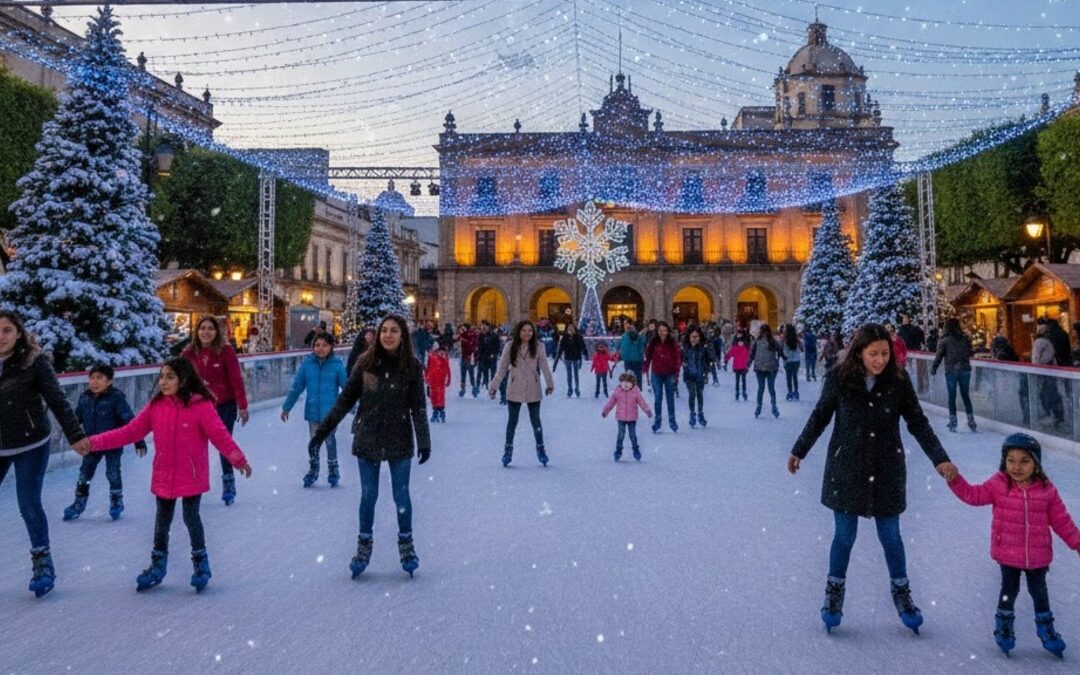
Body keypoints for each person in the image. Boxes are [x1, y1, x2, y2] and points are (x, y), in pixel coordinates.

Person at [787, 323, 956, 635]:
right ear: (859, 353)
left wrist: (940, 458)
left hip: (886, 467)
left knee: (891, 536)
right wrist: (800, 449)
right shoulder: (840, 379)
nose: (880, 359)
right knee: (844, 537)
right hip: (847, 467)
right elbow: (821, 415)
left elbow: (918, 422)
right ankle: (834, 594)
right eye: (873, 354)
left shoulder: (897, 381)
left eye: (884, 353)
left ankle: (902, 594)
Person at [81, 357, 252, 593]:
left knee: (191, 518)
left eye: (169, 377)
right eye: (161, 376)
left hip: (191, 473)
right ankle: (157, 565)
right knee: (162, 521)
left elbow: (220, 435)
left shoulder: (201, 406)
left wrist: (238, 459)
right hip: (164, 473)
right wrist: (93, 443)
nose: (163, 381)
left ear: (183, 380)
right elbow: (130, 431)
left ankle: (201, 564)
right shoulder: (157, 406)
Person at [310, 315, 431, 579]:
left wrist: (424, 440)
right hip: (369, 435)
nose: (388, 335)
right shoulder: (366, 363)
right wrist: (321, 434)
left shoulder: (411, 366)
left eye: (394, 331)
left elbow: (418, 407)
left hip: (399, 436)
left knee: (401, 495)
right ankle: (363, 545)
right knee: (369, 494)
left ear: (402, 336)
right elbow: (345, 401)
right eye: (384, 331)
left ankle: (406, 545)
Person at [946, 433, 1080, 658]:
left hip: (1037, 555)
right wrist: (955, 480)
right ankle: (1004, 626)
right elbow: (974, 495)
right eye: (1011, 460)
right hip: (1007, 552)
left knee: (1040, 593)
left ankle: (1046, 629)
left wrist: (1077, 542)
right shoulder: (999, 484)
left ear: (1035, 464)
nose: (1017, 467)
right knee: (1009, 589)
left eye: (1024, 461)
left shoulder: (1046, 490)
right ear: (1004, 461)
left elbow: (1061, 521)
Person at [0, 310, 90, 598]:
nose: (1, 337)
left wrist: (75, 435)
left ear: (18, 333)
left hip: (31, 443)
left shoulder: (34, 362)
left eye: (6, 331)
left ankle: (42, 562)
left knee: (28, 502)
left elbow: (57, 400)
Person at [62, 364, 147, 522]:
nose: (94, 382)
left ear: (109, 381)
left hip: (113, 443)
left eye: (99, 378)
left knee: (113, 473)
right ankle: (79, 502)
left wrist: (138, 440)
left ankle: (116, 501)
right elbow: (75, 419)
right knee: (85, 473)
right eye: (92, 378)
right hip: (92, 443)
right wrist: (71, 435)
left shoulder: (116, 398)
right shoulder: (84, 398)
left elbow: (129, 419)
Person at [182, 316, 249, 506]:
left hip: (223, 406)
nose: (206, 332)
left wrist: (242, 406)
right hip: (197, 407)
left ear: (217, 332)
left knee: (223, 444)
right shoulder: (188, 353)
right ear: (197, 332)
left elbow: (236, 379)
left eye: (210, 328)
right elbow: (181, 379)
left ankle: (228, 482)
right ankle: (193, 482)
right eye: (202, 328)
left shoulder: (226, 351)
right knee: (194, 445)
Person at [281, 334, 348, 488]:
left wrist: (355, 407)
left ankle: (333, 469)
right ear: (313, 347)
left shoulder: (336, 365)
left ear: (331, 347)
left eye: (324, 345)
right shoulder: (307, 365)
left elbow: (347, 388)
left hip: (331, 413)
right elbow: (296, 387)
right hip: (312, 412)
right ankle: (313, 469)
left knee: (330, 441)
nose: (320, 348)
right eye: (317, 345)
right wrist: (286, 407)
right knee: (314, 442)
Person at [489, 320, 555, 467]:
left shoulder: (538, 346)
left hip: (533, 387)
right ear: (519, 331)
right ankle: (508, 449)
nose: (527, 333)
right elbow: (502, 369)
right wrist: (494, 386)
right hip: (515, 387)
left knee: (536, 421)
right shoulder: (510, 346)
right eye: (524, 330)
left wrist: (550, 384)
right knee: (512, 422)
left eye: (530, 331)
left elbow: (544, 367)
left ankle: (541, 448)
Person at [930, 317, 975, 432]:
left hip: (951, 371)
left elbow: (939, 355)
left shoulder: (945, 340)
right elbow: (971, 351)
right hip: (965, 369)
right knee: (965, 395)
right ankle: (971, 419)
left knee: (952, 396)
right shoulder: (965, 338)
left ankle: (953, 420)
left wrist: (934, 367)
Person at [601, 372, 653, 462]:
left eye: (628, 383)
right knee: (621, 434)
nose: (625, 385)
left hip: (632, 418)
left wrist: (647, 411)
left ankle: (636, 450)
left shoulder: (635, 391)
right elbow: (611, 402)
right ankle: (618, 451)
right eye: (623, 383)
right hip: (621, 417)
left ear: (632, 383)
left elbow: (642, 402)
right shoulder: (618, 391)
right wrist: (606, 411)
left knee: (632, 435)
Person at [644, 321, 681, 433]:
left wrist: (676, 374)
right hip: (656, 373)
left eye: (664, 330)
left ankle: (672, 420)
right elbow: (648, 356)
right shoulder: (653, 342)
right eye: (660, 330)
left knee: (670, 398)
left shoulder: (672, 343)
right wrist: (645, 368)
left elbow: (677, 359)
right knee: (658, 397)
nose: (663, 333)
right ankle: (658, 420)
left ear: (668, 331)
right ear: (657, 331)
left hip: (670, 373)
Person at [990, 335, 1030, 426]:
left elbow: (1003, 367)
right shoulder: (1008, 351)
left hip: (1012, 380)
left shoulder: (1002, 354)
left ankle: (1022, 417)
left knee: (1017, 397)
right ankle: (1024, 417)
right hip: (1014, 378)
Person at [1032, 322, 1066, 427]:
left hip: (1044, 371)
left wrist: (1036, 368)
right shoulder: (1049, 342)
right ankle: (1057, 414)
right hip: (1049, 370)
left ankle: (1050, 414)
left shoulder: (1040, 342)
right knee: (1051, 393)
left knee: (1045, 394)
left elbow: (1036, 358)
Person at [681, 326, 712, 428]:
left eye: (696, 336)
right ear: (689, 337)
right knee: (692, 393)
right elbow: (680, 359)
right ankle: (692, 413)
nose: (694, 339)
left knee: (699, 394)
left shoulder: (703, 348)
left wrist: (707, 373)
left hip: (700, 374)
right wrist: (683, 364)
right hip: (689, 375)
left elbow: (708, 361)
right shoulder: (685, 348)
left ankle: (700, 413)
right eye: (692, 336)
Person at [750, 324, 782, 419]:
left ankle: (760, 407)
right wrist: (783, 357)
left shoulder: (758, 341)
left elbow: (752, 353)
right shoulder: (772, 341)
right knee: (769, 388)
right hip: (768, 367)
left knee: (762, 388)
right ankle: (772, 406)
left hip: (762, 368)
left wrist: (749, 363)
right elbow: (780, 350)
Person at [554, 323, 588, 398]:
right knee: (569, 374)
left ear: (574, 329)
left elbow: (583, 346)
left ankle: (577, 388)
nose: (570, 330)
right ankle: (570, 389)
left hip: (576, 357)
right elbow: (561, 348)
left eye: (572, 328)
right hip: (568, 358)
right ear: (567, 330)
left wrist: (586, 353)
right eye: (569, 328)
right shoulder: (564, 338)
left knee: (576, 374)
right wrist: (558, 356)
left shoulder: (578, 337)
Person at [425, 343, 451, 423]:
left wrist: (448, 379)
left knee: (440, 397)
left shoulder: (444, 359)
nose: (441, 353)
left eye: (442, 352)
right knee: (433, 396)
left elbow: (448, 370)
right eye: (440, 351)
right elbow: (428, 367)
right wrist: (426, 377)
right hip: (432, 381)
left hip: (440, 382)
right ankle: (435, 411)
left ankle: (441, 411)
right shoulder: (432, 357)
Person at [476, 321, 502, 393]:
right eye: (482, 326)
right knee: (485, 373)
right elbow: (479, 346)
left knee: (493, 373)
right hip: (484, 358)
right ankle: (486, 386)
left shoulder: (494, 335)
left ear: (488, 327)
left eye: (484, 327)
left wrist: (494, 353)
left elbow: (497, 346)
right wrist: (479, 355)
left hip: (492, 357)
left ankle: (493, 388)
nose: (483, 328)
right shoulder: (480, 335)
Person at [618, 321, 646, 385]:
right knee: (629, 378)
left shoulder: (638, 336)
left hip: (637, 360)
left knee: (636, 377)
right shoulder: (625, 335)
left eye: (631, 327)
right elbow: (621, 345)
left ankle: (637, 391)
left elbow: (643, 344)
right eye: (628, 327)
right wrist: (619, 353)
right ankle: (632, 390)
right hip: (628, 360)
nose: (630, 328)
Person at [725, 332, 751, 401]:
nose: (740, 343)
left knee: (744, 380)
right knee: (737, 381)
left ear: (743, 342)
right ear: (737, 342)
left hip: (744, 367)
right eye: (739, 342)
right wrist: (726, 359)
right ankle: (737, 392)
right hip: (736, 367)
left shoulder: (746, 349)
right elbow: (729, 354)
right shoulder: (735, 348)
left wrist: (748, 364)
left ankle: (744, 391)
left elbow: (749, 357)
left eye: (741, 342)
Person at [781, 324, 803, 402]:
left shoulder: (784, 339)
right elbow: (802, 349)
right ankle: (796, 392)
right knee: (795, 376)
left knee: (788, 377)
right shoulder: (797, 339)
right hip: (796, 360)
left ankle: (790, 392)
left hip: (787, 360)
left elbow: (780, 348)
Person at [457, 323, 479, 398]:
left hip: (469, 357)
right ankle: (463, 389)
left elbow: (472, 345)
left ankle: (473, 388)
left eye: (463, 328)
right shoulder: (463, 335)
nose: (461, 330)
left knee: (470, 374)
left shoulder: (470, 336)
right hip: (463, 357)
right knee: (463, 374)